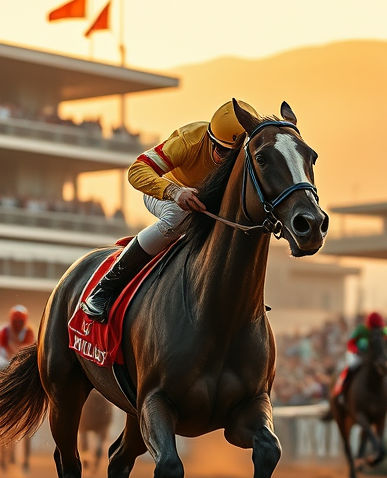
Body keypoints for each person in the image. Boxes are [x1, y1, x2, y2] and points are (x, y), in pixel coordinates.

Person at [81, 100, 262, 323]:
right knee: (178, 216)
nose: (229, 163)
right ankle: (105, 288)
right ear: (211, 140)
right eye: (223, 153)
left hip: (204, 201)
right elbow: (137, 171)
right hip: (163, 191)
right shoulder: (189, 140)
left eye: (235, 156)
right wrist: (174, 192)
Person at [332, 312, 387, 406]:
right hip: (358, 355)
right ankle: (340, 393)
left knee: (385, 370)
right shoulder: (361, 330)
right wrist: (357, 351)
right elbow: (351, 343)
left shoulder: (385, 331)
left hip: (375, 357)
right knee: (350, 368)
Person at [0, 305, 35, 370]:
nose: (17, 324)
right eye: (15, 321)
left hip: (22, 358)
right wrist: (10, 358)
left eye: (20, 322)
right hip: (6, 358)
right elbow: (2, 348)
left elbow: (28, 348)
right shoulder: (5, 330)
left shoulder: (28, 331)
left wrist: (17, 357)